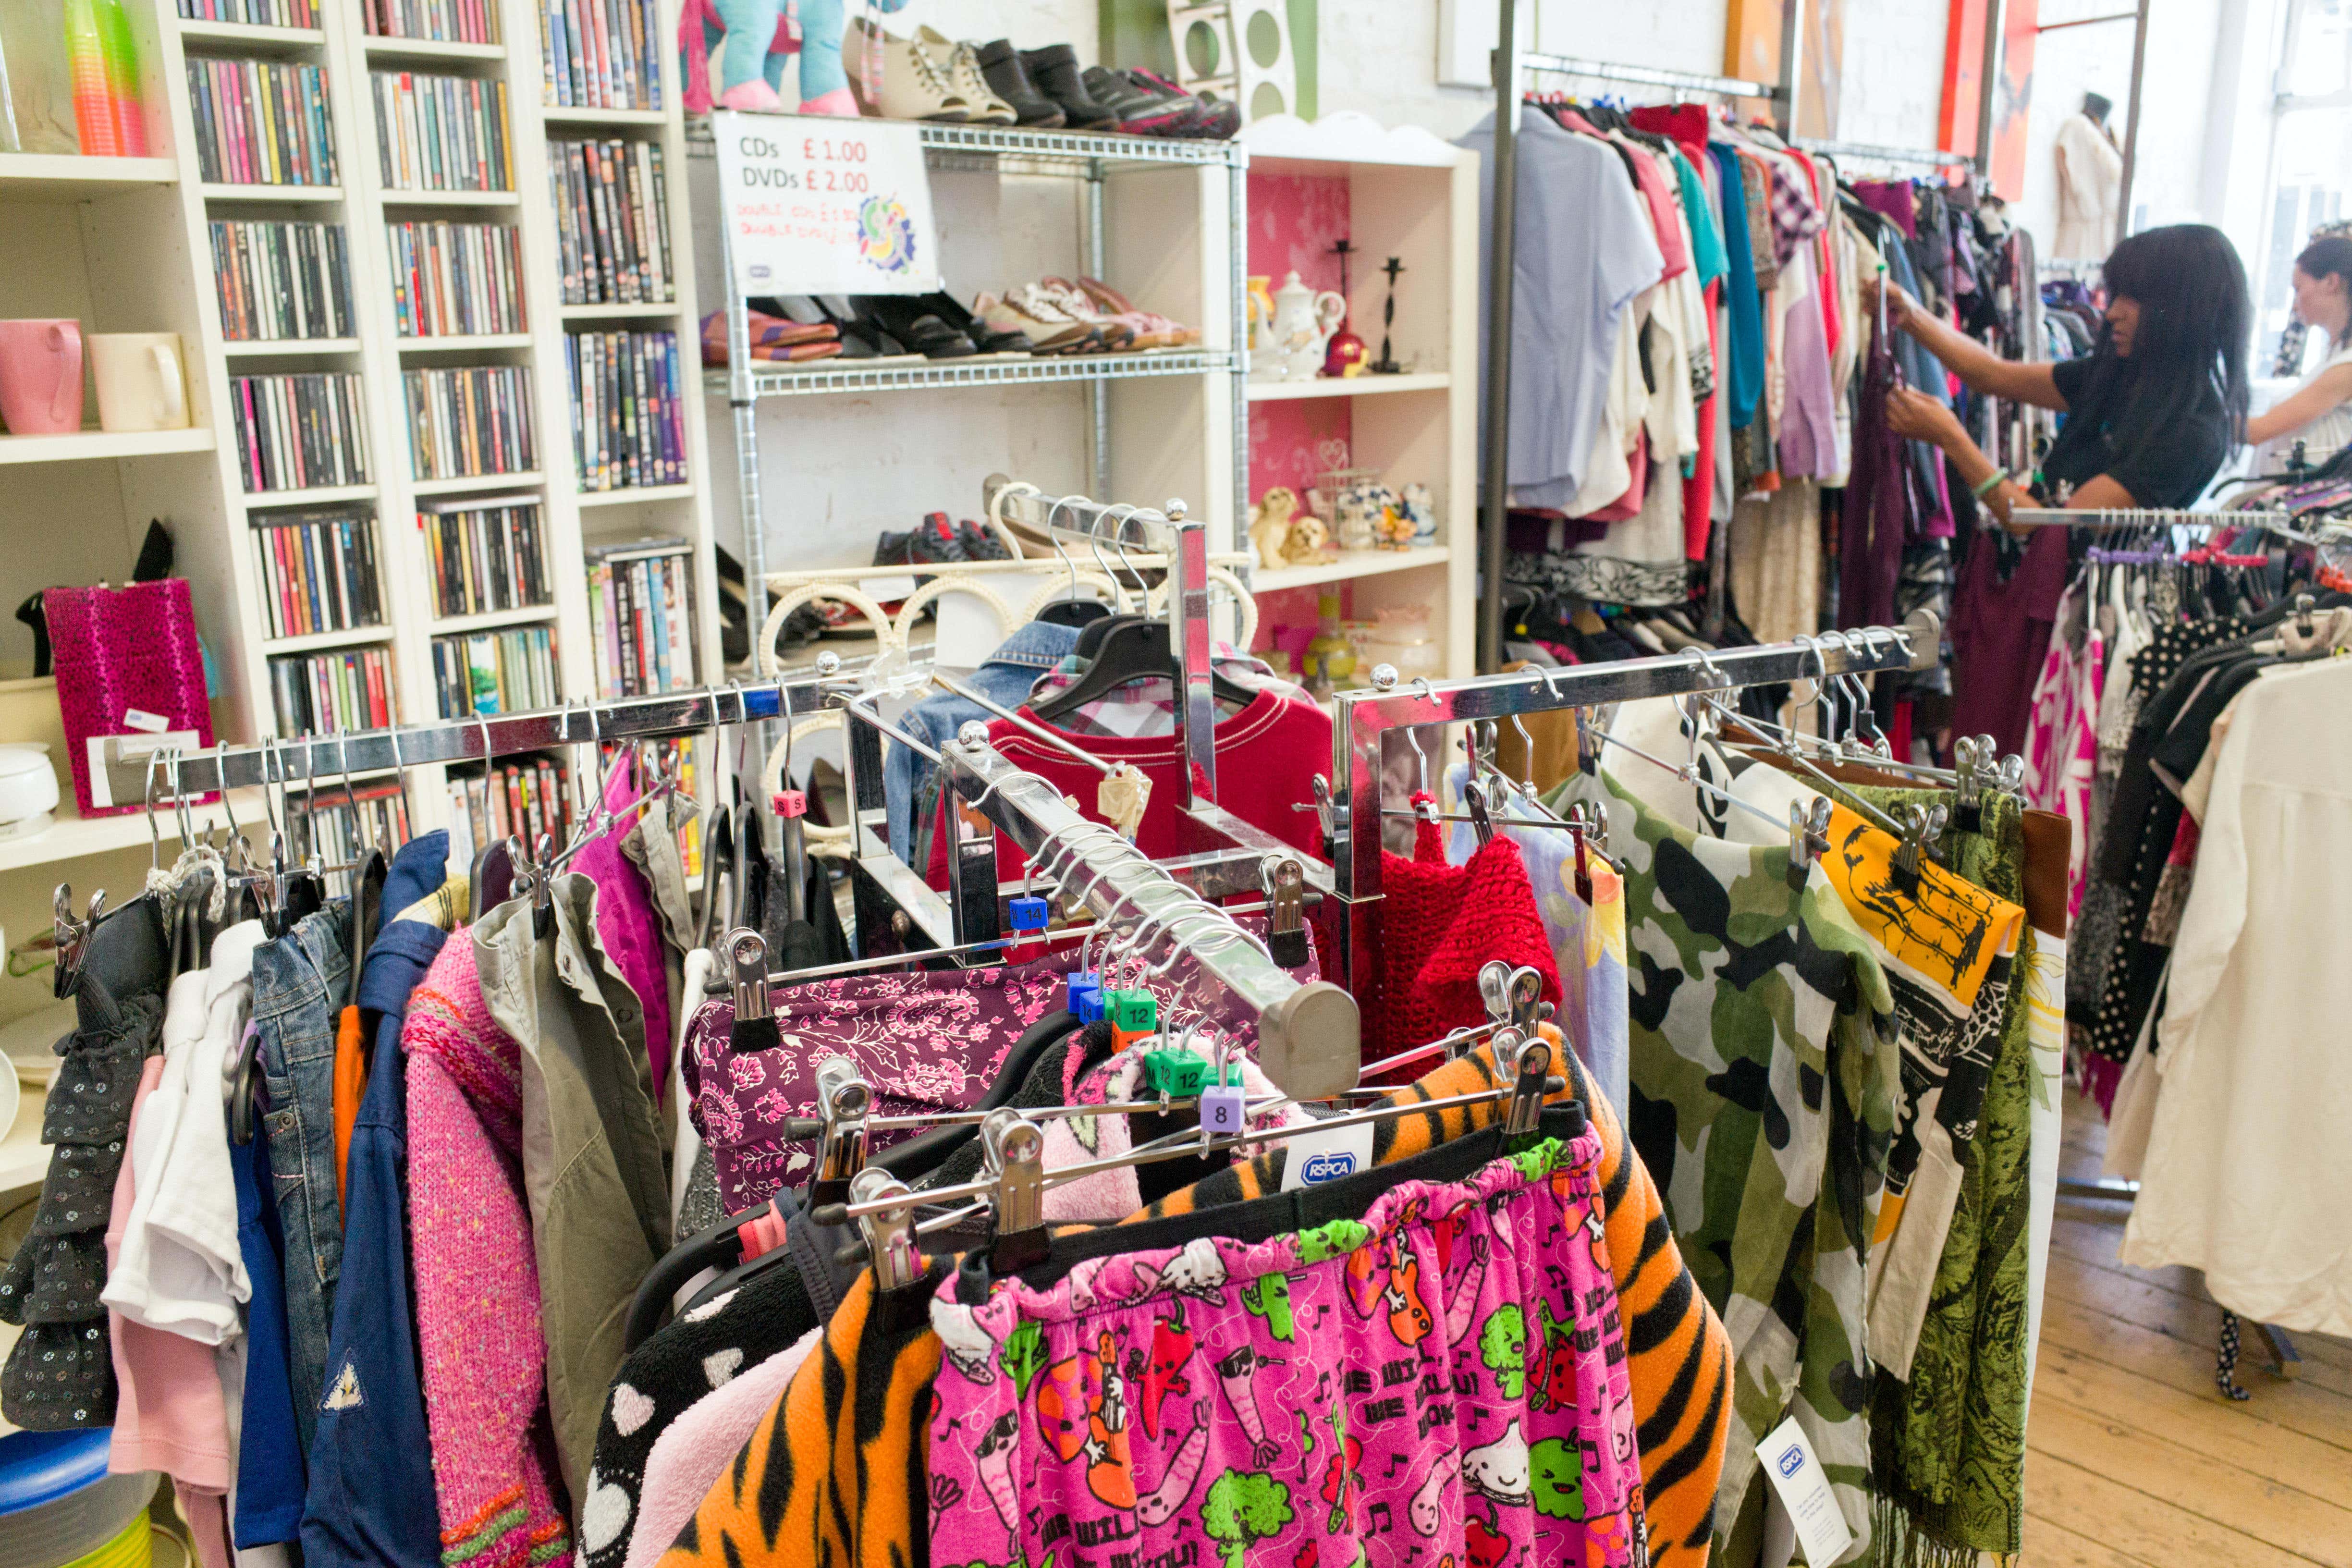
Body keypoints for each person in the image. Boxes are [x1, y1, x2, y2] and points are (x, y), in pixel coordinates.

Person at [1867, 222, 2250, 526]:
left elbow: (2044, 525)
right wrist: (1913, 316)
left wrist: (1952, 438)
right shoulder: (2121, 377)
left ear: (2184, 311)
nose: (2113, 312)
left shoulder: (2192, 434)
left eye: (2133, 299)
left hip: (2083, 617)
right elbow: (1992, 374)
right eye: (2116, 295)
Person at [2246, 235, 2352, 471]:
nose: (2295, 304)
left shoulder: (2347, 367)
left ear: (2331, 283)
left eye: (2299, 289)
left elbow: (2260, 430)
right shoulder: (2334, 356)